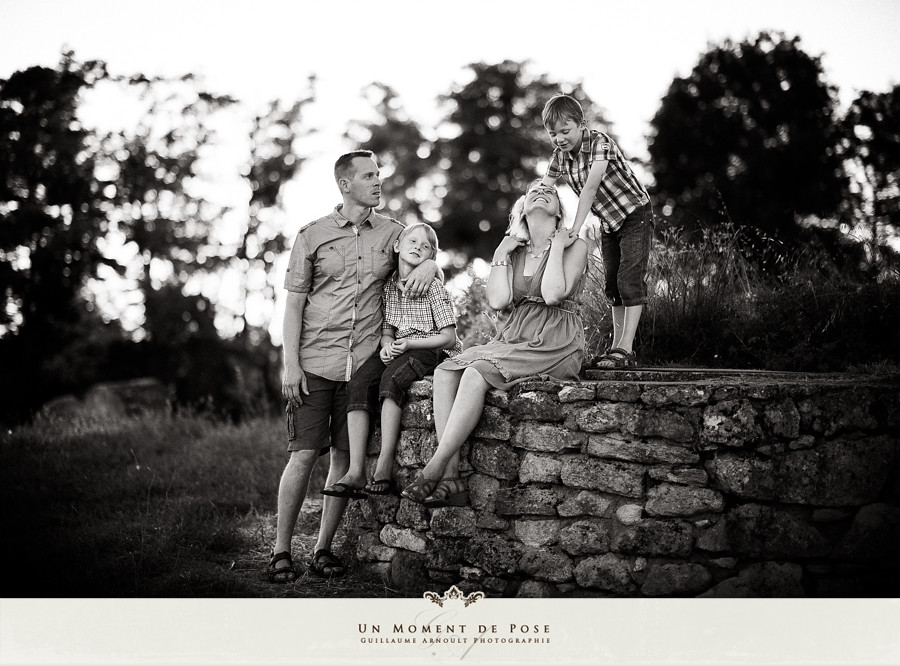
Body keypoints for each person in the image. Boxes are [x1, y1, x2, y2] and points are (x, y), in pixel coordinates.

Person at [270, 150, 439, 583]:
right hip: (314, 362)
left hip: (363, 365)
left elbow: (421, 248)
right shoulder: (312, 235)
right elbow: (293, 305)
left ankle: (323, 549)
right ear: (345, 185)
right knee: (303, 454)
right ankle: (281, 551)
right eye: (368, 176)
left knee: (345, 457)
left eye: (378, 174)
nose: (378, 181)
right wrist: (291, 365)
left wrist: (433, 262)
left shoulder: (394, 233)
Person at [401, 182, 588, 506]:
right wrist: (502, 251)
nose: (541, 190)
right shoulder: (514, 252)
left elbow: (553, 294)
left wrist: (557, 246)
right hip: (515, 335)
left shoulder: (575, 245)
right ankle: (451, 479)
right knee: (446, 371)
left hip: (555, 337)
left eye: (550, 191)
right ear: (522, 209)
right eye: (533, 190)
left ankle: (433, 468)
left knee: (476, 372)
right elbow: (499, 300)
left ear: (559, 212)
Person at [322, 222, 462, 499]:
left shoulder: (433, 288)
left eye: (425, 246)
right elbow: (388, 330)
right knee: (360, 382)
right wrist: (386, 345)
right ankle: (356, 470)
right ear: (397, 246)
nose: (417, 248)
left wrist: (409, 343)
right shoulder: (388, 287)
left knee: (392, 380)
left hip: (429, 348)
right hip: (400, 347)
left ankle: (385, 462)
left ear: (432, 256)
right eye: (412, 242)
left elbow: (449, 338)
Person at [540, 93, 653, 369]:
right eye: (553, 134)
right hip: (609, 222)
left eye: (565, 131)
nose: (559, 139)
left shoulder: (600, 143)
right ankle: (615, 348)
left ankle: (626, 349)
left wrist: (575, 229)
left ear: (581, 124)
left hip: (634, 214)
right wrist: (530, 215)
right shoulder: (559, 157)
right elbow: (543, 188)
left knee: (629, 279)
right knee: (612, 283)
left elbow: (590, 188)